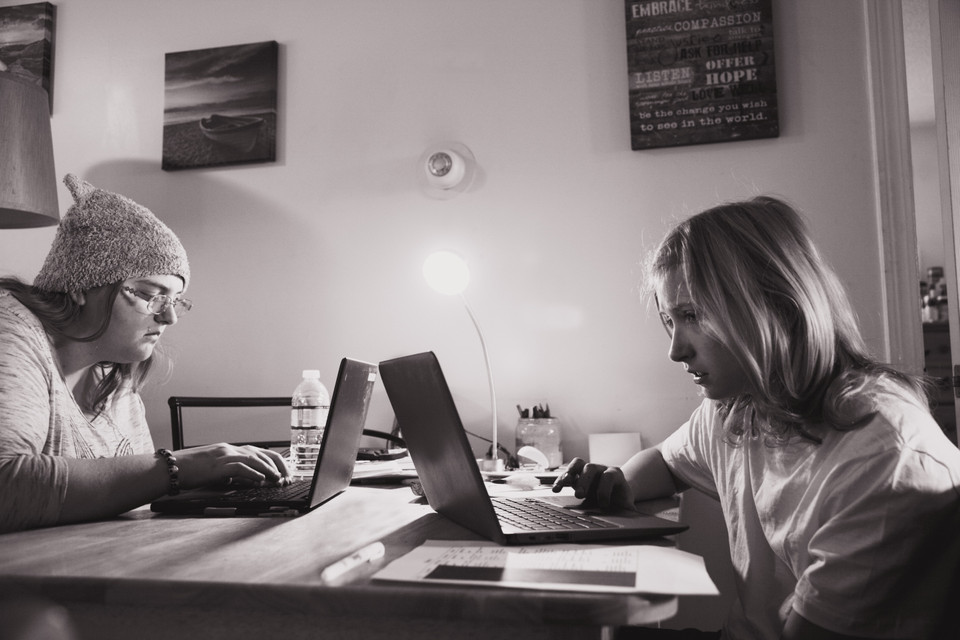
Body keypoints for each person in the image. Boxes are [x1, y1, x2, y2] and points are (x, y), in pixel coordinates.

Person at [553, 196, 960, 640]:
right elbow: (666, 462)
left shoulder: (881, 455)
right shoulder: (742, 403)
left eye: (693, 315)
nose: (675, 350)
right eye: (670, 320)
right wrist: (618, 484)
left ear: (776, 304)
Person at [0, 174, 289, 533]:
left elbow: (133, 495)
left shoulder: (113, 373)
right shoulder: (9, 328)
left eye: (175, 301)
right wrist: (179, 467)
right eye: (153, 295)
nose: (168, 317)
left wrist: (204, 484)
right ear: (80, 285)